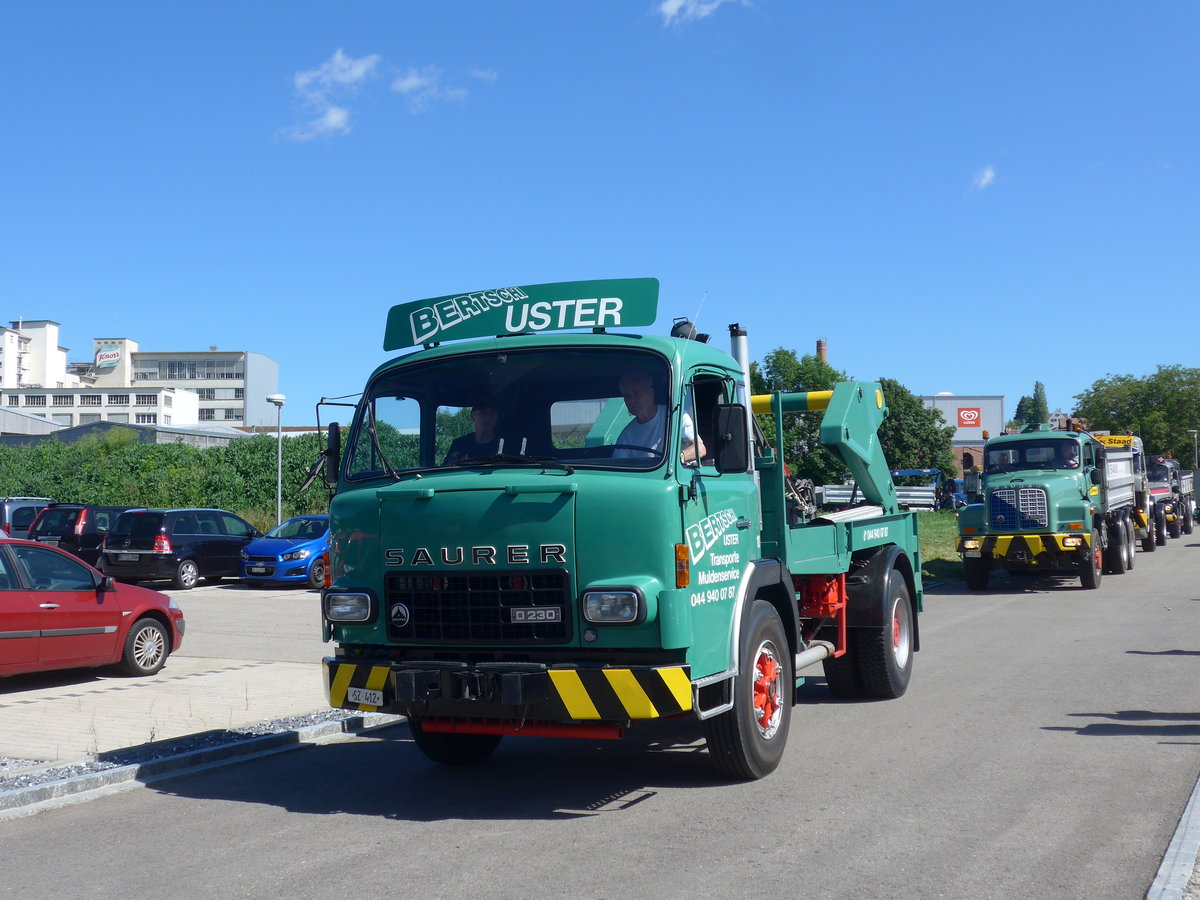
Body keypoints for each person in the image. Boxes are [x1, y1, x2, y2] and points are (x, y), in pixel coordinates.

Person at [613, 372, 705, 464]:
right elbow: (618, 465)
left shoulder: (675, 416)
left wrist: (678, 458)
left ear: (650, 394)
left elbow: (700, 449)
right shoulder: (626, 435)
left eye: (636, 394)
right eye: (627, 396)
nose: (631, 400)